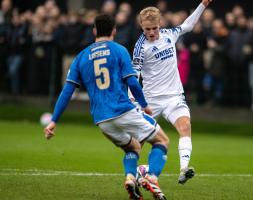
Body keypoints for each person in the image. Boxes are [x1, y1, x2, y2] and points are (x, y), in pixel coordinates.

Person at [43, 14, 169, 200]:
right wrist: (144, 105)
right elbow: (133, 83)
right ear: (114, 31)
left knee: (133, 148)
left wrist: (54, 121)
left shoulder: (81, 57)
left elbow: (67, 92)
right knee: (161, 141)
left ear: (94, 31)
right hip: (123, 109)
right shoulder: (119, 50)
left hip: (101, 119)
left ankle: (130, 178)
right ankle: (151, 177)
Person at [131, 0, 213, 184]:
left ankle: (184, 169)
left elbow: (188, 25)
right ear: (141, 27)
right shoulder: (140, 47)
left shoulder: (170, 34)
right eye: (147, 29)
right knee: (138, 143)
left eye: (154, 28)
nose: (151, 33)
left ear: (160, 24)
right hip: (150, 101)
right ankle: (133, 176)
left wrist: (202, 5)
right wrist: (132, 97)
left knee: (185, 126)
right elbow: (134, 75)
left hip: (174, 97)